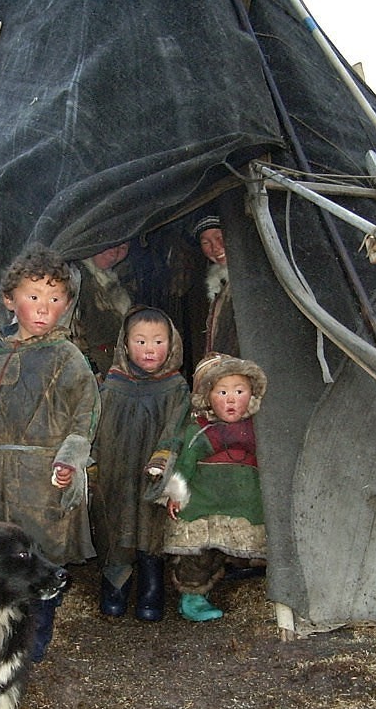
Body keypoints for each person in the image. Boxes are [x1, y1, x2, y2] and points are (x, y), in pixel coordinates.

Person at [0, 243, 100, 661]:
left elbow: (85, 415)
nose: (43, 306)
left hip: (44, 480)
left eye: (54, 298)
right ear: (10, 300)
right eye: (33, 296)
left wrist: (69, 462)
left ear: (66, 305)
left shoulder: (69, 358)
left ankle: (35, 644)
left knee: (40, 561)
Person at [90, 306, 189, 621]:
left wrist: (162, 459)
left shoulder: (176, 387)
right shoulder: (113, 385)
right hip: (116, 470)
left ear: (172, 345)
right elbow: (97, 427)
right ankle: (115, 590)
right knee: (116, 525)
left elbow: (177, 427)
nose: (150, 349)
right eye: (141, 341)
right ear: (125, 344)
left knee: (150, 528)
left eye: (159, 342)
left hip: (152, 472)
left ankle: (151, 593)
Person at [157, 353, 267, 622]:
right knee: (200, 554)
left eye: (239, 391)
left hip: (241, 503)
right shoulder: (200, 431)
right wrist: (176, 495)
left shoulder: (260, 429)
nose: (231, 399)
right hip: (203, 506)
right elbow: (184, 464)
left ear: (251, 395)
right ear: (208, 397)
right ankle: (192, 596)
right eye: (222, 392)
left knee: (228, 548)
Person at [71, 241, 135, 379]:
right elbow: (71, 334)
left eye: (123, 248)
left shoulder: (114, 278)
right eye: (110, 244)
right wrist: (92, 372)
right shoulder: (75, 277)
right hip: (89, 373)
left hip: (113, 366)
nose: (115, 253)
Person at [189, 212, 239, 357]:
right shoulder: (218, 285)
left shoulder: (254, 276)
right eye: (206, 243)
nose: (215, 247)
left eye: (220, 237)